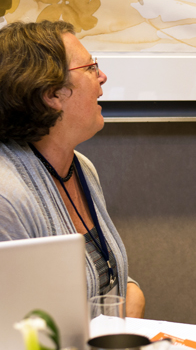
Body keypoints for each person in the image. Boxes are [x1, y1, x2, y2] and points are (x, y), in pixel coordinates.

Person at [0, 21, 145, 318]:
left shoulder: (81, 168)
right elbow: (22, 324)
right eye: (91, 67)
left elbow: (107, 278)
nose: (102, 77)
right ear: (52, 93)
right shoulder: (7, 196)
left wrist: (132, 294)